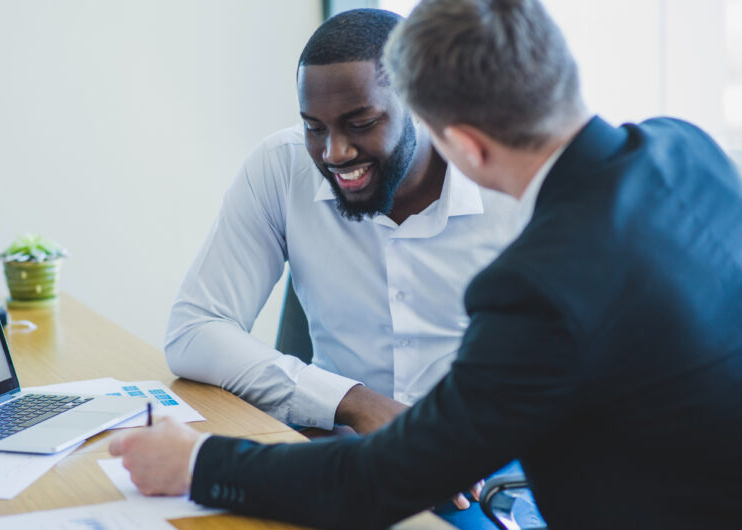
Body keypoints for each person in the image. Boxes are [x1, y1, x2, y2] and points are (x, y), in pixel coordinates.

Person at [111, 0, 742, 528]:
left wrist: (197, 463)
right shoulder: (686, 147)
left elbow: (385, 479)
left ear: (459, 144)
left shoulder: (538, 286)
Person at [165, 10, 517, 441]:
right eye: (314, 127)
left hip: (490, 467)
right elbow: (194, 331)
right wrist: (353, 402)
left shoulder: (515, 185)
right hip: (342, 458)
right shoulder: (281, 167)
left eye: (361, 124)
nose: (333, 153)